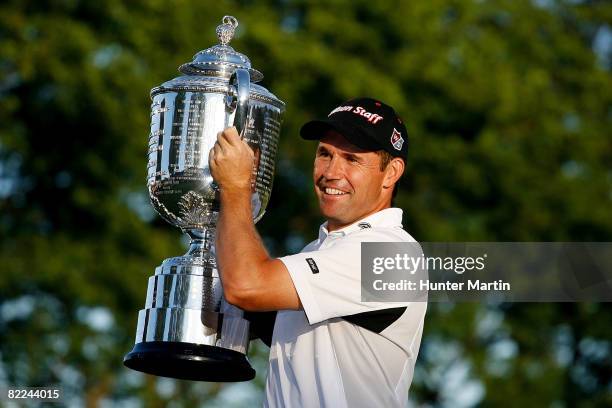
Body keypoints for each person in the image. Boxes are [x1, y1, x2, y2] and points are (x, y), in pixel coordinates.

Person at [209, 97, 427, 407]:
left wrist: (235, 187)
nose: (331, 172)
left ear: (391, 172)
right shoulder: (319, 250)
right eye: (325, 154)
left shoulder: (391, 252)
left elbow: (247, 285)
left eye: (351, 159)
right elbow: (234, 313)